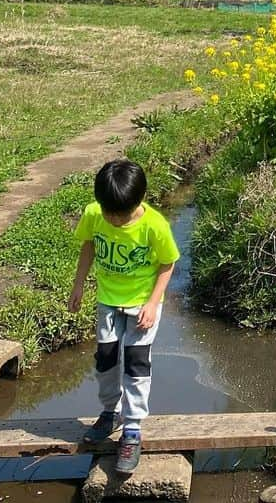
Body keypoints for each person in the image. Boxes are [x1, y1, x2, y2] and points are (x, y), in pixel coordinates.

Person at [68, 159, 179, 474]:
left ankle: (132, 429)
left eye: (121, 216)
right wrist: (78, 286)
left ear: (139, 202)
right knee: (105, 358)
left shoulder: (155, 225)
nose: (114, 221)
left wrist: (154, 303)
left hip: (141, 305)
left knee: (135, 362)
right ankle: (110, 412)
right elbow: (88, 246)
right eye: (109, 214)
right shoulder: (94, 214)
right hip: (107, 300)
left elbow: (167, 264)